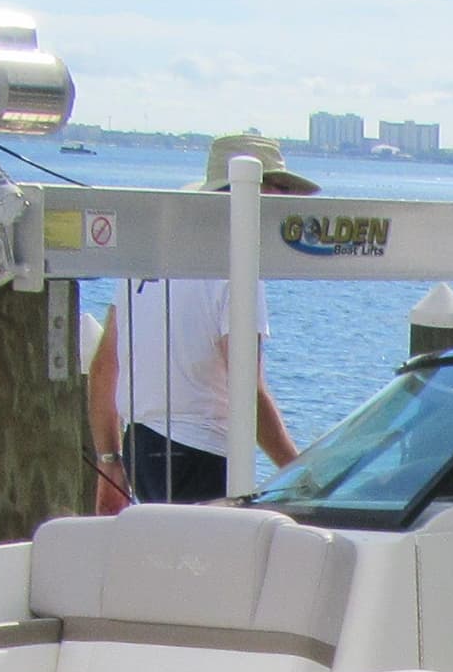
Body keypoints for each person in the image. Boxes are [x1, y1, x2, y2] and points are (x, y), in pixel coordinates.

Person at [91, 132, 310, 503]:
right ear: (258, 193)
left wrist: (110, 460)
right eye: (280, 189)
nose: (286, 203)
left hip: (140, 448)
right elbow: (247, 390)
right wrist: (302, 475)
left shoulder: (146, 259)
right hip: (199, 453)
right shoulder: (235, 270)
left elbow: (104, 369)